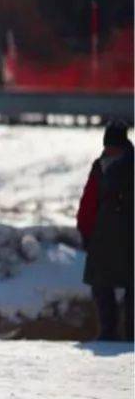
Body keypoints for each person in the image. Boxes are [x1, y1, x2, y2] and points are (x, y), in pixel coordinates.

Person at [76, 120, 134, 341]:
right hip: (102, 235)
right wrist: (84, 228)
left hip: (128, 235)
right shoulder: (100, 165)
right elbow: (89, 200)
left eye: (112, 145)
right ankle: (108, 334)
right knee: (101, 285)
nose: (108, 149)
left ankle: (130, 336)